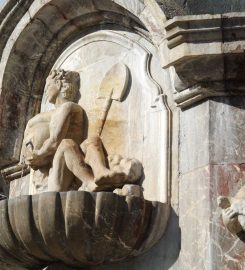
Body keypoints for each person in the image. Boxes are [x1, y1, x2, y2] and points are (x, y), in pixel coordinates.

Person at [22, 69, 136, 192]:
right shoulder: (56, 112)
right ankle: (90, 181)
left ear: (59, 84)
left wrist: (38, 154)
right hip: (52, 181)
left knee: (90, 140)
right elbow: (48, 136)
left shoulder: (67, 107)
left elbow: (55, 141)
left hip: (66, 176)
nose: (45, 90)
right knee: (67, 144)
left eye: (48, 85)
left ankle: (100, 173)